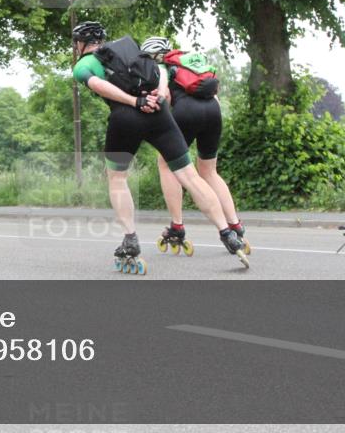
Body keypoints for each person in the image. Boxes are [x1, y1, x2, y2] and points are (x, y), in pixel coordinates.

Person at [71, 22, 249, 272]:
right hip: (159, 113)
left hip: (125, 118)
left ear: (80, 43)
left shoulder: (84, 64)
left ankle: (130, 240)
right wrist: (160, 95)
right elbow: (161, 71)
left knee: (117, 178)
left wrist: (135, 101)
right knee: (189, 175)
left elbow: (98, 85)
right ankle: (227, 233)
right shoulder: (130, 52)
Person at [139, 37, 250, 255]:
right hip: (213, 112)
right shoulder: (191, 63)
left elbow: (167, 98)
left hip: (186, 113)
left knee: (166, 164)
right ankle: (235, 224)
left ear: (154, 55)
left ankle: (177, 226)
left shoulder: (163, 68)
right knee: (209, 171)